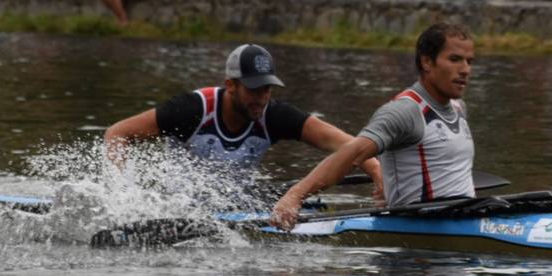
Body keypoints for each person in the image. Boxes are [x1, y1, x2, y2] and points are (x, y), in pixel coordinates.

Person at [104, 44, 384, 201]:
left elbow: (344, 144)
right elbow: (118, 133)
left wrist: (376, 170)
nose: (261, 98)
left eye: (267, 89)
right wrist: (120, 192)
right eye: (253, 89)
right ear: (231, 85)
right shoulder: (190, 109)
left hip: (236, 202)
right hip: (180, 204)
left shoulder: (274, 115)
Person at [272, 23, 473, 229]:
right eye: (455, 59)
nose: (465, 69)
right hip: (419, 237)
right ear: (427, 62)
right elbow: (351, 153)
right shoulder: (404, 111)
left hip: (462, 216)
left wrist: (392, 186)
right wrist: (294, 197)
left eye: (469, 61)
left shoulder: (458, 107)